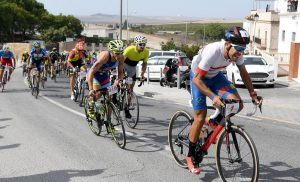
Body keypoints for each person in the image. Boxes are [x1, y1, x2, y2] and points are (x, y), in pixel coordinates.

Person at [186, 26, 263, 174]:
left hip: (215, 77)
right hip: (198, 78)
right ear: (227, 45)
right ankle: (190, 156)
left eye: (243, 49)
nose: (240, 53)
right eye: (238, 48)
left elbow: (244, 73)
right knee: (200, 116)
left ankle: (212, 123)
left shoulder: (237, 54)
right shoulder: (213, 51)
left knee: (236, 105)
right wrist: (213, 97)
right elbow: (197, 80)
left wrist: (253, 94)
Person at [86, 40, 125, 119]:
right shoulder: (105, 56)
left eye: (121, 52)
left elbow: (120, 73)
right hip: (94, 75)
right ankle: (91, 103)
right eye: (117, 53)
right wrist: (90, 89)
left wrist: (118, 81)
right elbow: (91, 72)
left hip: (104, 75)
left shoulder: (121, 58)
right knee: (97, 94)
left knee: (109, 98)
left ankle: (109, 121)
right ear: (111, 51)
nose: (119, 55)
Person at [123, 35, 149, 118]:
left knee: (130, 89)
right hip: (124, 64)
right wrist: (121, 74)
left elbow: (144, 64)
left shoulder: (146, 51)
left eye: (144, 44)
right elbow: (120, 62)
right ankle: (116, 95)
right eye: (140, 44)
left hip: (132, 68)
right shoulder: (129, 49)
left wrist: (142, 74)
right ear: (136, 44)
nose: (142, 46)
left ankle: (126, 107)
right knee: (120, 81)